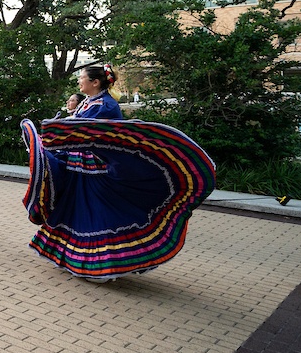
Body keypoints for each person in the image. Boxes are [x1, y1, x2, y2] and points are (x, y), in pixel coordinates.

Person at [19, 64, 215, 281]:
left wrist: (56, 130)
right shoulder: (89, 102)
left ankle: (102, 264)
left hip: (96, 171)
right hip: (80, 170)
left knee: (98, 214)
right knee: (75, 212)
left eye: (82, 77)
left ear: (95, 82)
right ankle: (76, 257)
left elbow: (85, 131)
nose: (79, 81)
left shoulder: (106, 106)